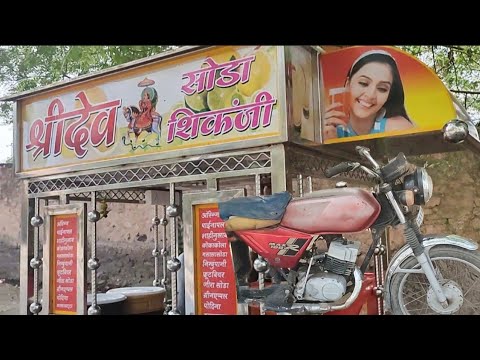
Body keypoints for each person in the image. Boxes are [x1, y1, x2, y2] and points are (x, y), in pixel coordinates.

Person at [323, 50, 414, 140]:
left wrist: (335, 146)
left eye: (382, 89)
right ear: (347, 84)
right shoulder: (328, 128)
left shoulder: (398, 129)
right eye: (363, 83)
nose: (371, 95)